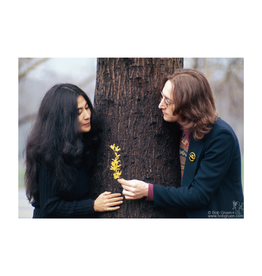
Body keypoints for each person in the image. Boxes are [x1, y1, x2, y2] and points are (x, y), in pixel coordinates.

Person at [118, 69, 244, 218]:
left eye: (167, 101)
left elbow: (198, 195)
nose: (160, 105)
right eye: (161, 97)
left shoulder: (221, 137)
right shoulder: (180, 126)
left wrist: (148, 191)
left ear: (188, 105)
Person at [25, 83, 123, 218]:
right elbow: (50, 206)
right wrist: (93, 206)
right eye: (78, 112)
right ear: (62, 118)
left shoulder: (86, 140)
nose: (87, 115)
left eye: (87, 108)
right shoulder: (47, 152)